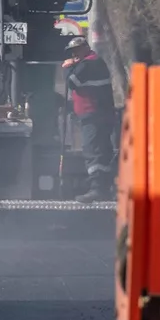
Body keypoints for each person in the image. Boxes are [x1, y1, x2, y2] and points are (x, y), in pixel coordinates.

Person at [62, 36, 116, 203]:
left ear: (86, 48)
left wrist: (67, 67)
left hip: (93, 114)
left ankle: (97, 189)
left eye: (77, 50)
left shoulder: (88, 64)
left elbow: (72, 82)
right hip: (100, 114)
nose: (74, 54)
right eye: (72, 52)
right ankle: (104, 188)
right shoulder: (95, 62)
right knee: (102, 151)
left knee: (93, 150)